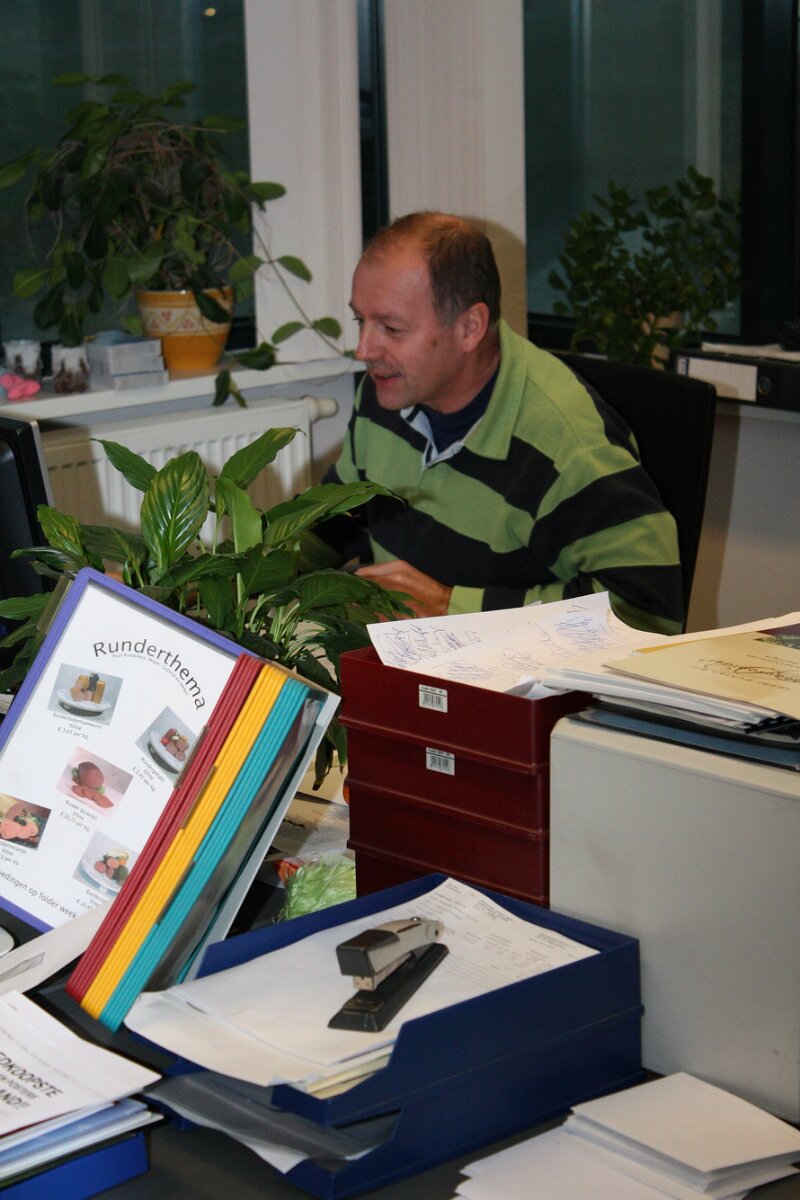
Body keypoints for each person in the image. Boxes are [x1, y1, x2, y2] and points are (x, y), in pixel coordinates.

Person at [302, 211, 684, 635]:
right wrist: (251, 563)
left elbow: (647, 614)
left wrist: (450, 607)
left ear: (470, 327)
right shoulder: (388, 392)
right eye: (361, 320)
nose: (364, 350)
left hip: (518, 670)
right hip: (410, 654)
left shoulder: (568, 446)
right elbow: (339, 520)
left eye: (391, 328)